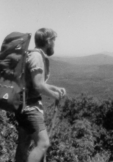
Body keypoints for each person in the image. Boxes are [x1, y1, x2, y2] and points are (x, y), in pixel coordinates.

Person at [15, 28, 66, 162]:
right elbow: (38, 85)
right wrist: (55, 96)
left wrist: (54, 88)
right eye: (54, 40)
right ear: (48, 41)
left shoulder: (31, 54)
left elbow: (36, 83)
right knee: (43, 144)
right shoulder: (37, 57)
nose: (54, 44)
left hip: (22, 106)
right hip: (30, 108)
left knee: (23, 145)